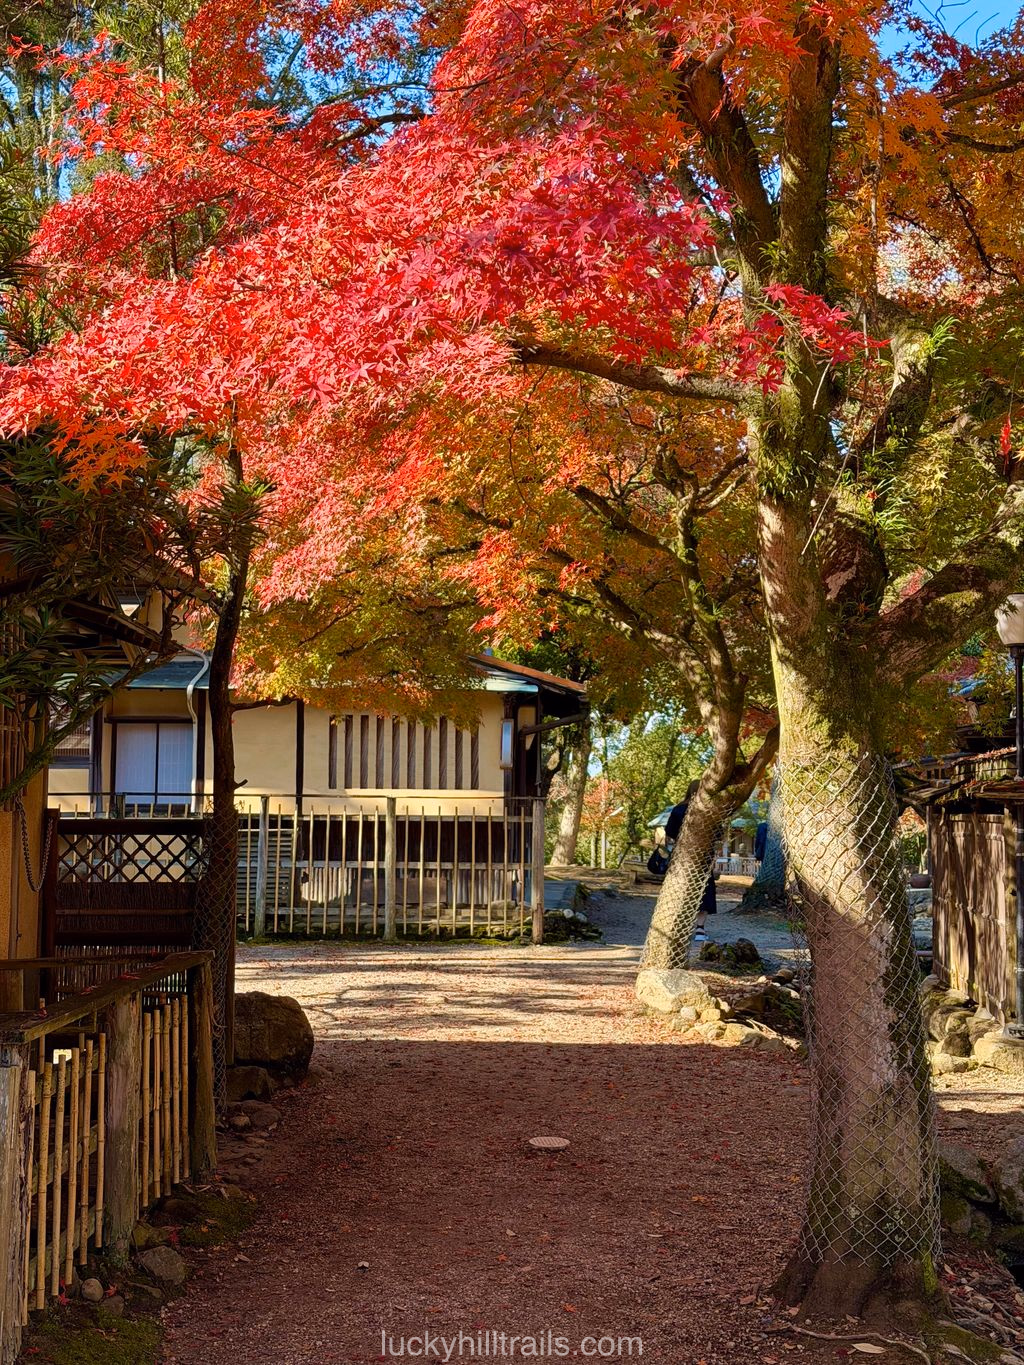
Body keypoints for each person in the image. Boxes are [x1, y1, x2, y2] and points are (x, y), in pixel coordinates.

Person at [663, 780, 717, 944]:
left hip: (682, 856)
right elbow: (717, 833)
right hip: (703, 856)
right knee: (704, 891)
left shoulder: (678, 809)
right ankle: (700, 929)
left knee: (680, 890)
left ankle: (678, 928)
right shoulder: (709, 810)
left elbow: (669, 832)